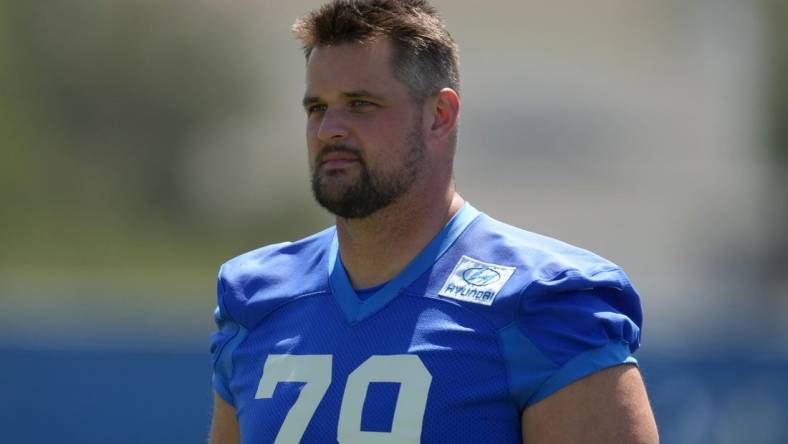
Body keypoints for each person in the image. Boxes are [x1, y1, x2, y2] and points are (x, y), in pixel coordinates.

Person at [208, 0, 659, 442]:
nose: (329, 130)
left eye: (360, 104)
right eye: (316, 108)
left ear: (439, 116)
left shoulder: (545, 301)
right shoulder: (258, 298)